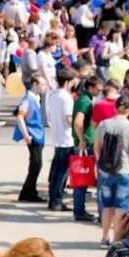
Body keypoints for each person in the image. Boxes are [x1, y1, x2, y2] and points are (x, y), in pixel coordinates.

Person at [95, 95, 129, 249]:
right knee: (121, 205)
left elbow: (97, 147)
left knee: (107, 205)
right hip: (125, 170)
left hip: (106, 171)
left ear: (115, 107)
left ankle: (104, 236)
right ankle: (117, 238)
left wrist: (100, 163)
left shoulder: (104, 124)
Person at [46, 69, 79, 211]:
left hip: (57, 136)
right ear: (67, 82)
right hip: (67, 138)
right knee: (63, 172)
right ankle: (57, 200)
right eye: (72, 82)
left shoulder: (53, 95)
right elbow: (68, 118)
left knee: (56, 171)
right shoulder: (66, 97)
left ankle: (53, 199)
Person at [72, 75, 102, 222]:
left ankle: (79, 210)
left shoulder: (83, 99)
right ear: (90, 87)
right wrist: (82, 140)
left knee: (81, 179)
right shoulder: (86, 102)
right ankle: (79, 211)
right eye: (98, 89)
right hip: (86, 146)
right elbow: (78, 122)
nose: (100, 91)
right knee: (82, 179)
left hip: (83, 144)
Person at [15, 75, 47, 203]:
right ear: (34, 85)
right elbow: (19, 116)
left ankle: (28, 192)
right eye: (42, 84)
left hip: (38, 134)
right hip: (33, 135)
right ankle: (28, 192)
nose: (44, 87)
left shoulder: (35, 98)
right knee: (36, 164)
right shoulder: (28, 99)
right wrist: (26, 135)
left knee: (36, 164)